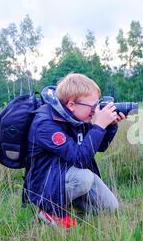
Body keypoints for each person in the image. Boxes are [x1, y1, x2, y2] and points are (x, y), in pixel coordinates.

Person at [23, 73, 126, 229]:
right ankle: (48, 210)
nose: (95, 110)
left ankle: (70, 202)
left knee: (111, 208)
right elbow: (80, 158)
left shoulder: (78, 117)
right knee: (84, 177)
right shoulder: (45, 124)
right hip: (45, 184)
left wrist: (110, 125)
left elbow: (100, 146)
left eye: (97, 104)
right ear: (71, 105)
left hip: (66, 176)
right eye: (93, 106)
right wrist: (99, 126)